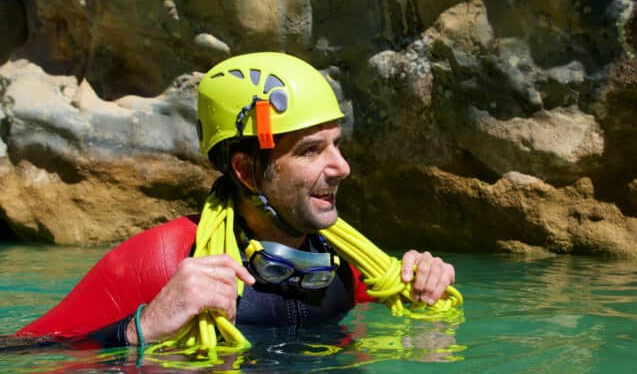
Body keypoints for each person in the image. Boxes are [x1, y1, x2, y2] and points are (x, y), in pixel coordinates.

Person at [16, 52, 456, 347]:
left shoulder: (345, 262)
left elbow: (396, 303)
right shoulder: (162, 261)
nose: (341, 167)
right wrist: (141, 327)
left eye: (336, 145)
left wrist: (423, 280)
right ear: (246, 170)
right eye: (310, 150)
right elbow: (23, 354)